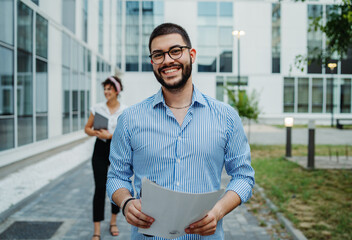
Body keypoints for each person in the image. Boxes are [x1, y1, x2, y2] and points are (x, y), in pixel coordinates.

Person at [107, 23, 255, 239]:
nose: (167, 60)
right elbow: (116, 177)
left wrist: (218, 211)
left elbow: (243, 176)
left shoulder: (226, 117)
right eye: (158, 55)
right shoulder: (130, 120)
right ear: (152, 62)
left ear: (191, 54)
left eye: (175, 51)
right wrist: (126, 202)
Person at [84, 76, 127, 240]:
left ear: (117, 91)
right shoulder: (97, 108)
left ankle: (113, 222)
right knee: (100, 187)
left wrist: (110, 135)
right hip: (100, 149)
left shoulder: (125, 110)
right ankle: (96, 229)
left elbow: (125, 134)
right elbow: (87, 129)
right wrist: (96, 132)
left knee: (115, 187)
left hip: (116, 150)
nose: (106, 92)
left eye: (109, 89)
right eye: (105, 89)